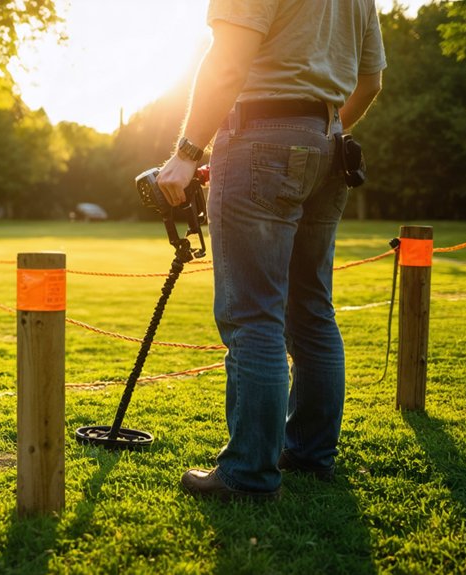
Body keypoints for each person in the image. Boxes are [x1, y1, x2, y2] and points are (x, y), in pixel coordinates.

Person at [157, 0, 386, 501]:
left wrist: (187, 152)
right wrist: (316, 132)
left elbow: (228, 64)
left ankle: (248, 473)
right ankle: (308, 453)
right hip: (331, 144)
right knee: (311, 311)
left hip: (260, 134)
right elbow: (370, 82)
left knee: (252, 315)